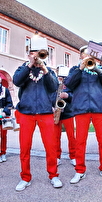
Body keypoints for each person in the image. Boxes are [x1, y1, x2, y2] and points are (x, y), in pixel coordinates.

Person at [13, 38, 61, 191]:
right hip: (26, 112)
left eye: (38, 54)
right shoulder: (23, 69)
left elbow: (54, 87)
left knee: (50, 147)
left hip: (45, 112)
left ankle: (53, 175)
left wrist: (45, 70)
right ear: (28, 55)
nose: (36, 56)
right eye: (33, 53)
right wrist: (30, 65)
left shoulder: (48, 71)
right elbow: (16, 81)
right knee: (24, 147)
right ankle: (25, 177)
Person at [64, 45, 102, 184]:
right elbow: (68, 84)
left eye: (90, 55)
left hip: (99, 108)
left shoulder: (101, 69)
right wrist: (80, 69)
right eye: (85, 55)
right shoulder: (75, 70)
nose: (88, 57)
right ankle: (80, 170)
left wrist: (98, 69)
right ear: (81, 56)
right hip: (81, 109)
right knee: (80, 142)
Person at [53, 69, 76, 167]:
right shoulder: (53, 84)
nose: (61, 79)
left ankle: (73, 156)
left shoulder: (69, 85)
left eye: (63, 77)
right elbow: (49, 95)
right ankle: (57, 157)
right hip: (56, 113)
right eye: (59, 77)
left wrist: (67, 95)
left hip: (68, 113)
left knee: (71, 137)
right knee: (55, 137)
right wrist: (51, 106)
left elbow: (75, 96)